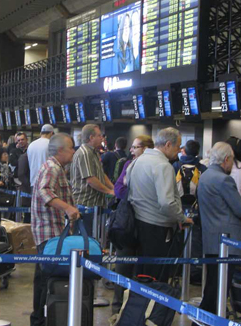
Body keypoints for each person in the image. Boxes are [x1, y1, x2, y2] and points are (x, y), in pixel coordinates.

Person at [192, 142, 241, 326]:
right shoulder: (223, 180)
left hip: (211, 237)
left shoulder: (204, 177)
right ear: (226, 159)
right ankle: (207, 324)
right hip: (226, 240)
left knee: (213, 283)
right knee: (220, 284)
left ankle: (202, 323)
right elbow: (239, 208)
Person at [29, 133, 79, 326]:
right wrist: (68, 208)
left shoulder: (55, 166)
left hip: (50, 231)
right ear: (60, 151)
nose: (74, 151)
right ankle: (39, 325)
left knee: (42, 279)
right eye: (71, 148)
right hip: (49, 232)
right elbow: (45, 191)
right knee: (44, 280)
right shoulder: (52, 168)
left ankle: (40, 323)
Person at [127, 127, 191, 282]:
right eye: (178, 146)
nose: (179, 151)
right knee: (156, 276)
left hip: (137, 223)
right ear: (168, 144)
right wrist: (182, 218)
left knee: (141, 274)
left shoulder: (137, 161)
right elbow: (166, 203)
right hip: (157, 228)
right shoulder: (163, 166)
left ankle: (141, 305)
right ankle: (155, 306)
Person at [111, 134, 154, 313]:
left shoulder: (156, 167)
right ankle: (118, 306)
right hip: (128, 222)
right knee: (123, 265)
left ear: (146, 149)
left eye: (135, 147)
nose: (131, 150)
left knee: (143, 269)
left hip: (149, 224)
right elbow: (118, 189)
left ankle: (138, 311)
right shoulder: (128, 165)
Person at [70, 124, 115, 235]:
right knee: (83, 240)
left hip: (93, 204)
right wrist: (109, 191)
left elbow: (101, 174)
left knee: (90, 238)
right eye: (99, 135)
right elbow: (90, 179)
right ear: (91, 137)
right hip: (84, 204)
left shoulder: (93, 152)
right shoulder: (85, 153)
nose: (102, 138)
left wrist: (114, 188)